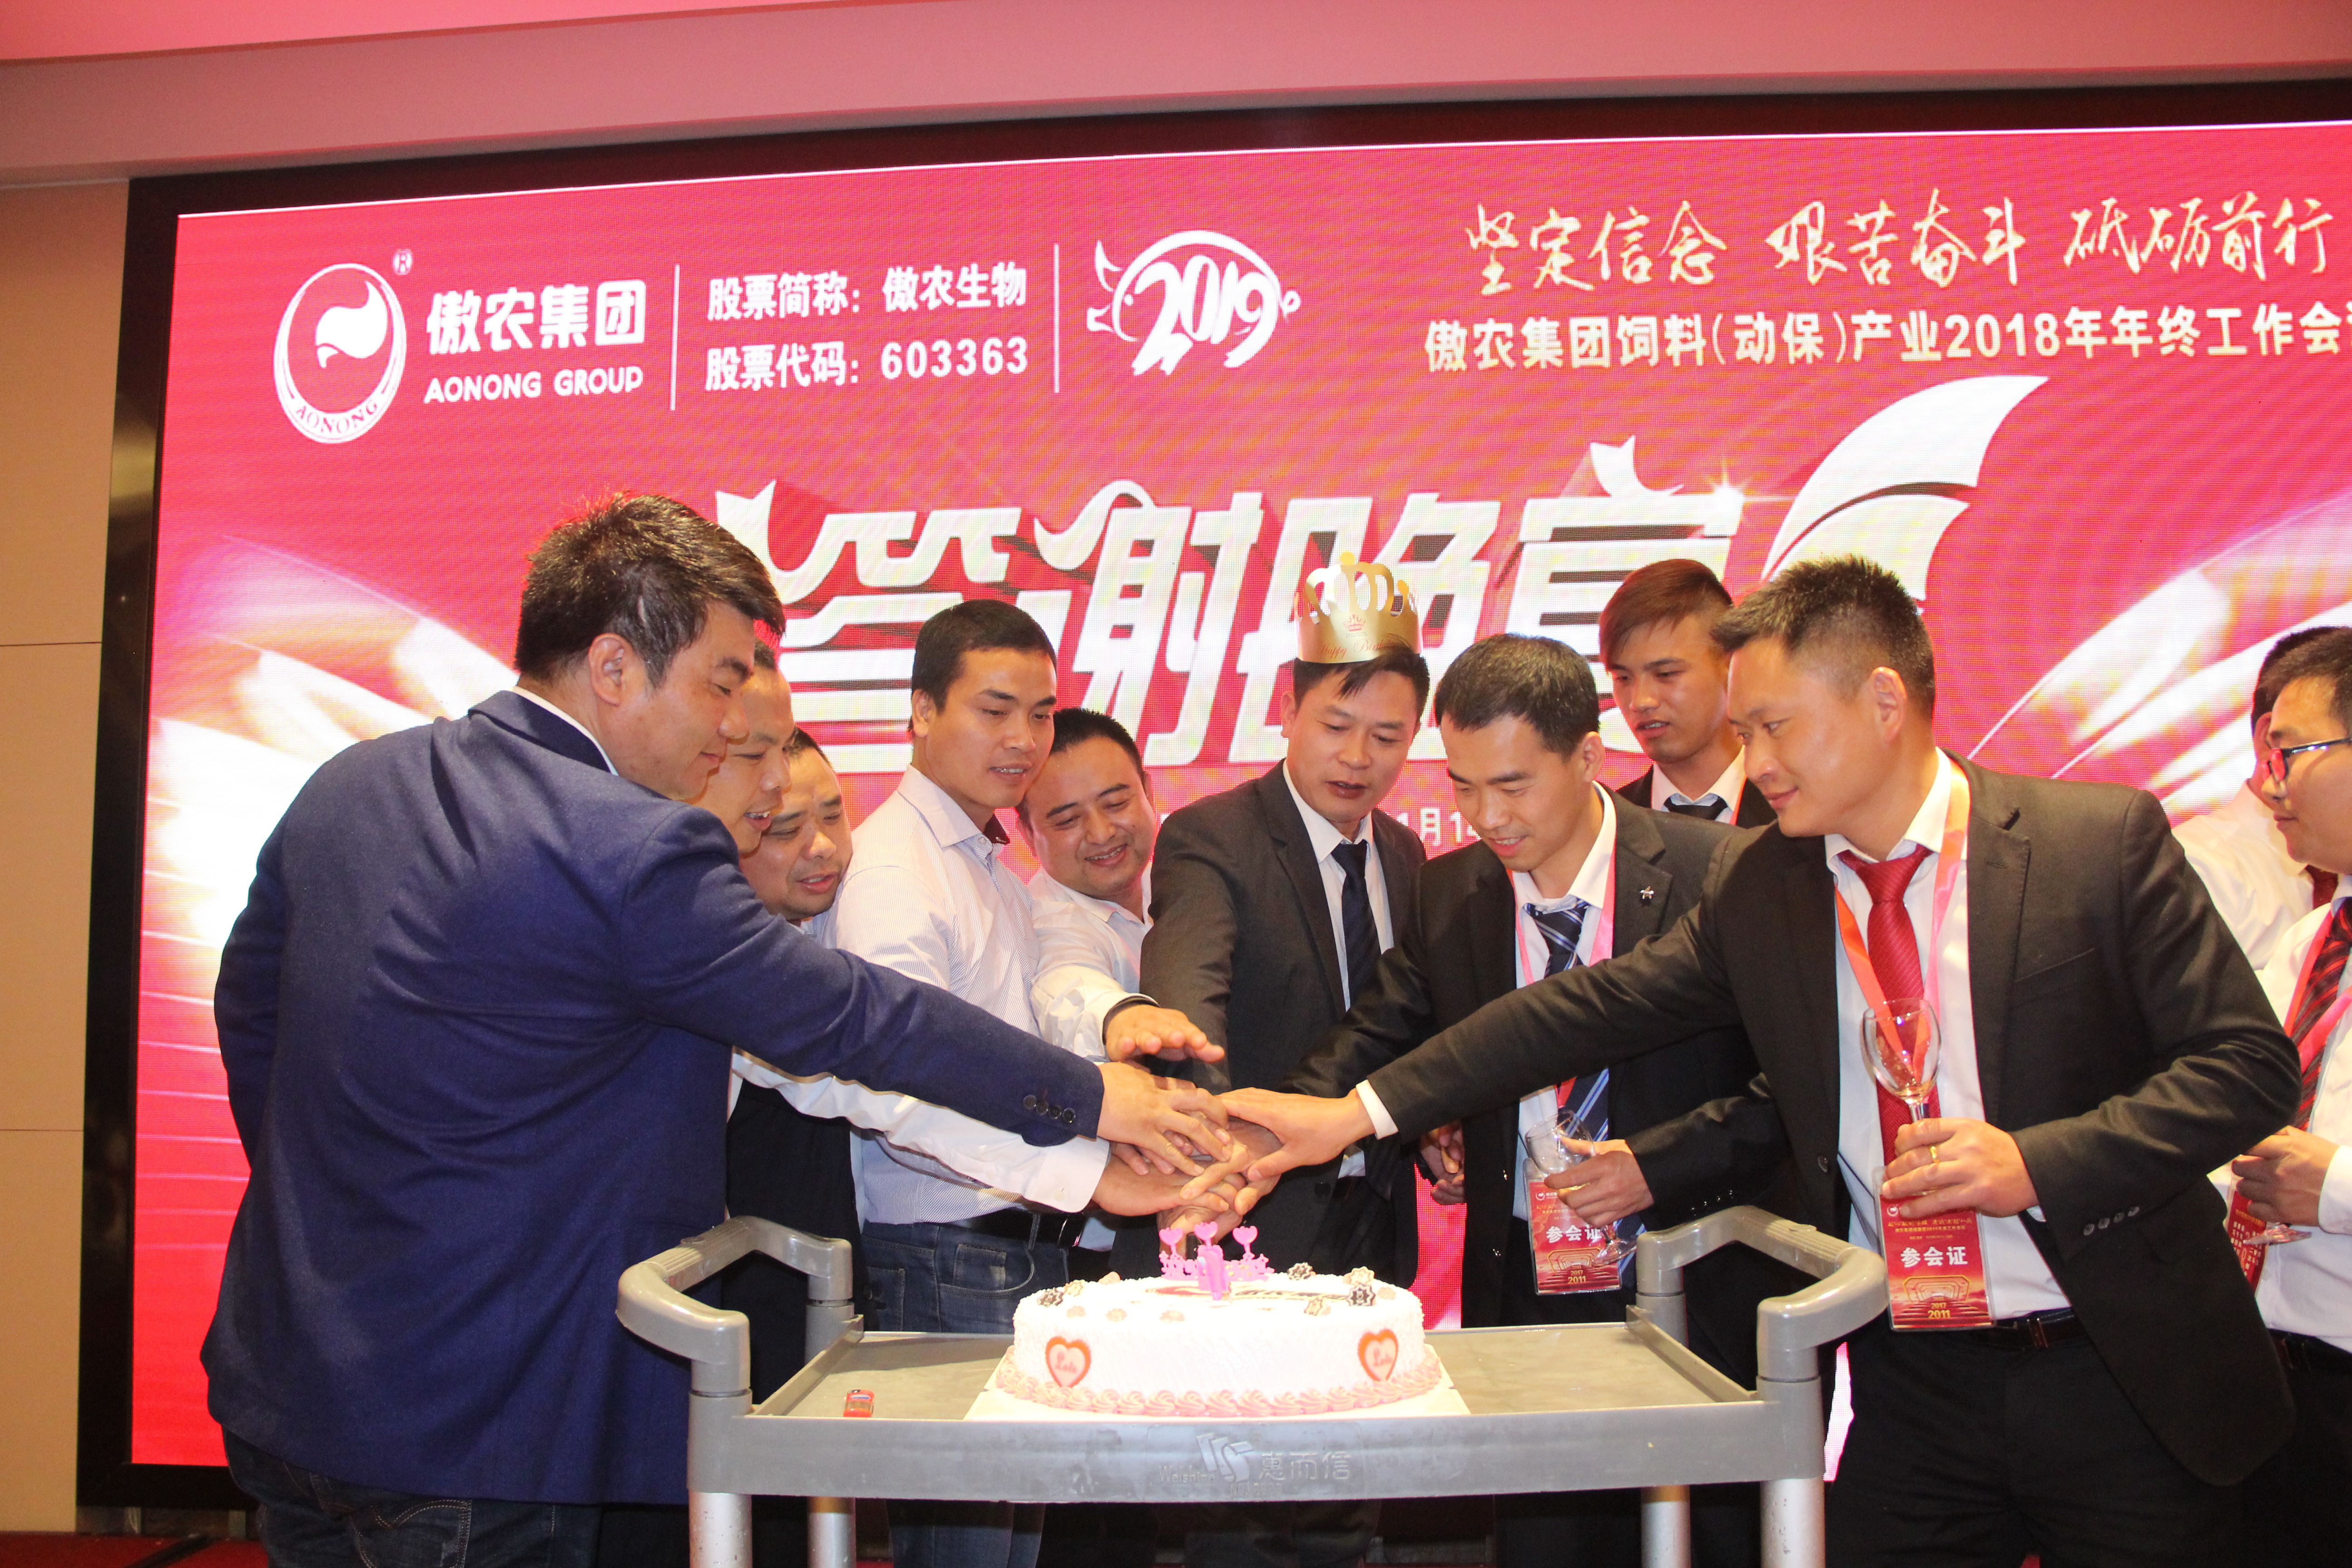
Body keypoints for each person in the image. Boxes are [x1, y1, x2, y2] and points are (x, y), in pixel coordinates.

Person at [206, 495, 1227, 1568]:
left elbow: (255, 1016)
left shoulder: (354, 781)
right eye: (721, 681)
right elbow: (856, 1015)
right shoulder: (631, 845)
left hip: (292, 1373)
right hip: (485, 1422)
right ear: (613, 667)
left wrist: (338, 1215)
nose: (734, 724)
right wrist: (1094, 1097)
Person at [1227, 555, 2301, 1568]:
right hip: (1915, 1380)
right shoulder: (1769, 886)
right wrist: (1357, 1112)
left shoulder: (2092, 842)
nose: (1759, 762)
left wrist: (2037, 1163)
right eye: (1747, 731)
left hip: (2115, 1363)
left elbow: (2247, 1067)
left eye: (1776, 727)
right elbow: (1580, 1012)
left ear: (1882, 701)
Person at [1273, 632, 1794, 1568]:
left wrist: (1657, 1164)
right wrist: (1266, 1128)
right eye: (1463, 787)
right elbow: (1378, 1039)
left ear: (1586, 756)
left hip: (1690, 1278)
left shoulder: (1720, 873)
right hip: (1523, 1284)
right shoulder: (1452, 890)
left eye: (1512, 786)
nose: (1487, 817)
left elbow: (1786, 1092)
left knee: (1711, 1539)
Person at [831, 601, 1209, 1568]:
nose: (1022, 740)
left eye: (1038, 714)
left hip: (1014, 1253)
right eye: (993, 710)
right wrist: (1088, 1171)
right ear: (921, 712)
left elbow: (1032, 1034)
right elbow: (893, 1094)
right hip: (947, 1256)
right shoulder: (893, 870)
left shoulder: (988, 862)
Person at [1140, 553, 1428, 1568]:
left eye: (1387, 737)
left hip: (1372, 1222)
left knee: (1351, 1491)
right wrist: (1214, 1142)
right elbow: (1188, 1004)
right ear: (1289, 710)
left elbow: (1403, 1025)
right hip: (1254, 1219)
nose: (1358, 758)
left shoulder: (1406, 857)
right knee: (1244, 1507)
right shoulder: (1212, 837)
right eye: (1335, 726)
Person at [2211, 626, 2352, 1562]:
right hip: (2275, 1386)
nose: (2269, 786)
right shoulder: (2309, 945)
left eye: (2292, 753)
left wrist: (2333, 1187)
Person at [1016, 706, 1166, 1568]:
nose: (1102, 833)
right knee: (1083, 1502)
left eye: (1116, 802)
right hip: (1080, 1254)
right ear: (1026, 833)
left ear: (1149, 791)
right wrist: (1126, 1021)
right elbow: (1065, 988)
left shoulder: (1187, 887)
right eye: (1066, 818)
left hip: (1170, 1240)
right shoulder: (1049, 917)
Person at [2176, 625, 2345, 968]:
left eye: (2294, 750)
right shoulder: (2192, 866)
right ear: (2268, 740)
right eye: (2286, 749)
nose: (2273, 789)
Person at [1601, 558, 1774, 827]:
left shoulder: (1804, 815)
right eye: (1623, 678)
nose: (1640, 701)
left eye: (1666, 674)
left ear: (1730, 666)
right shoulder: (1605, 827)